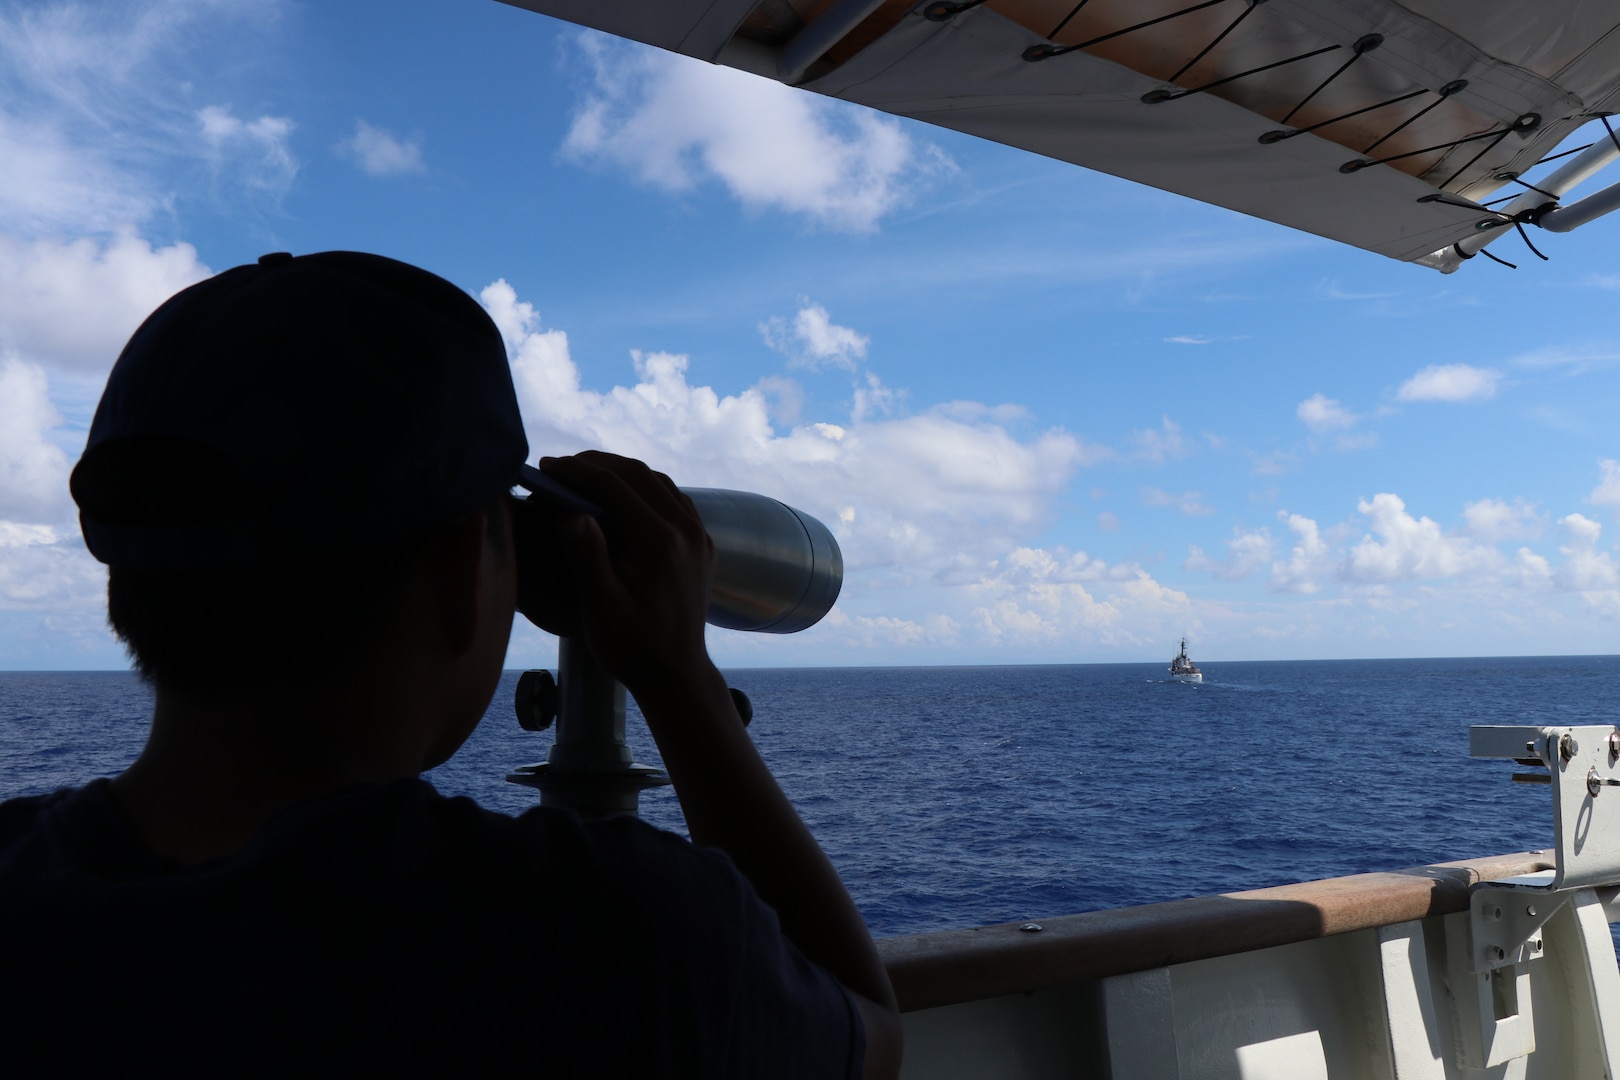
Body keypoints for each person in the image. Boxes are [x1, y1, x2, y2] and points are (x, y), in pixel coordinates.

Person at [0, 251, 901, 1076]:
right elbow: (870, 1038)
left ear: (125, 575)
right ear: (468, 572)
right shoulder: (615, 935)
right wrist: (678, 680)